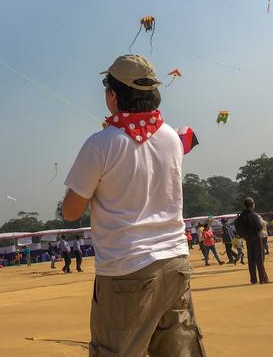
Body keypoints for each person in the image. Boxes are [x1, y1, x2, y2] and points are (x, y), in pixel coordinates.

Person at [61, 54, 204, 356]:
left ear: (113, 96)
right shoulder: (171, 138)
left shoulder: (101, 143)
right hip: (176, 262)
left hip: (127, 270)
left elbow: (71, 211)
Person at [234, 198, 270, 284]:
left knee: (251, 260)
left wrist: (244, 236)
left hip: (248, 239)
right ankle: (263, 278)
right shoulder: (254, 215)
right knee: (259, 259)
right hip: (256, 238)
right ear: (252, 204)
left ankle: (253, 279)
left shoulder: (241, 216)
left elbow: (237, 226)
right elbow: (260, 226)